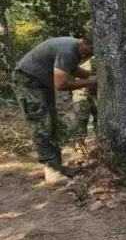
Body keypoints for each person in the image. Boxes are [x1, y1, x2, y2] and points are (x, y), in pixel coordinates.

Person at [10, 35, 97, 184]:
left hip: (40, 83)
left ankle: (57, 167)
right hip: (28, 82)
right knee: (41, 124)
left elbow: (73, 69)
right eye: (90, 51)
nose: (89, 56)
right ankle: (52, 173)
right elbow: (61, 85)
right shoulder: (68, 51)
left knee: (51, 122)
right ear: (84, 44)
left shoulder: (72, 47)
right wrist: (88, 81)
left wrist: (91, 76)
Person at [72, 58, 98, 139]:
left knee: (99, 117)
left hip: (89, 94)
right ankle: (80, 146)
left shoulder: (90, 62)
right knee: (82, 120)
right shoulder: (92, 61)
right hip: (81, 94)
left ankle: (100, 140)